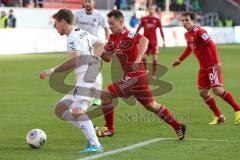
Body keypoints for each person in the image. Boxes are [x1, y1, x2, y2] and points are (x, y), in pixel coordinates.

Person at [96, 10, 186, 140]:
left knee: (105, 94)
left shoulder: (129, 34)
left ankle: (109, 129)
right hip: (136, 78)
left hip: (136, 76)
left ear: (121, 22)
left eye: (111, 23)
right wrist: (97, 51)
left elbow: (145, 40)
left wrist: (138, 59)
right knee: (152, 106)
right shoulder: (112, 38)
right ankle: (178, 126)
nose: (109, 26)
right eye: (108, 24)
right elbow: (108, 58)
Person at [39, 9, 104, 153]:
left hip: (88, 80)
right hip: (88, 79)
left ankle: (95, 144)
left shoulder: (73, 38)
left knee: (77, 110)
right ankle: (88, 127)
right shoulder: (81, 32)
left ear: (62, 22)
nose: (55, 27)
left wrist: (50, 71)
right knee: (60, 109)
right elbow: (100, 42)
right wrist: (95, 58)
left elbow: (74, 60)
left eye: (56, 23)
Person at [172, 12, 240, 125]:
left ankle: (238, 110)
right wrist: (180, 59)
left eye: (187, 20)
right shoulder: (187, 35)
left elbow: (211, 45)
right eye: (182, 20)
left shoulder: (199, 31)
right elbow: (190, 47)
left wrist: (216, 62)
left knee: (217, 90)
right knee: (203, 92)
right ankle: (219, 116)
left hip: (212, 65)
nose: (184, 22)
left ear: (193, 21)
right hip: (203, 68)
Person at [75, 0, 109, 106]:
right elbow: (72, 26)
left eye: (89, 2)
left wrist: (107, 41)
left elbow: (106, 28)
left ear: (94, 3)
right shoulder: (77, 14)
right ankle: (82, 93)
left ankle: (97, 96)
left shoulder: (99, 15)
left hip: (94, 47)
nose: (87, 4)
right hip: (81, 47)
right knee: (80, 71)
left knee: (95, 71)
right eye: (86, 2)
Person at [136, 6, 166, 79]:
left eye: (152, 9)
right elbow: (138, 28)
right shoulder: (144, 19)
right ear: (148, 10)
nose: (151, 11)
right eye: (150, 9)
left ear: (154, 11)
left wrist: (163, 40)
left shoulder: (157, 20)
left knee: (155, 58)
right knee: (144, 57)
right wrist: (135, 37)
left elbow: (161, 30)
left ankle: (154, 74)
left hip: (154, 42)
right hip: (145, 41)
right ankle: (145, 71)